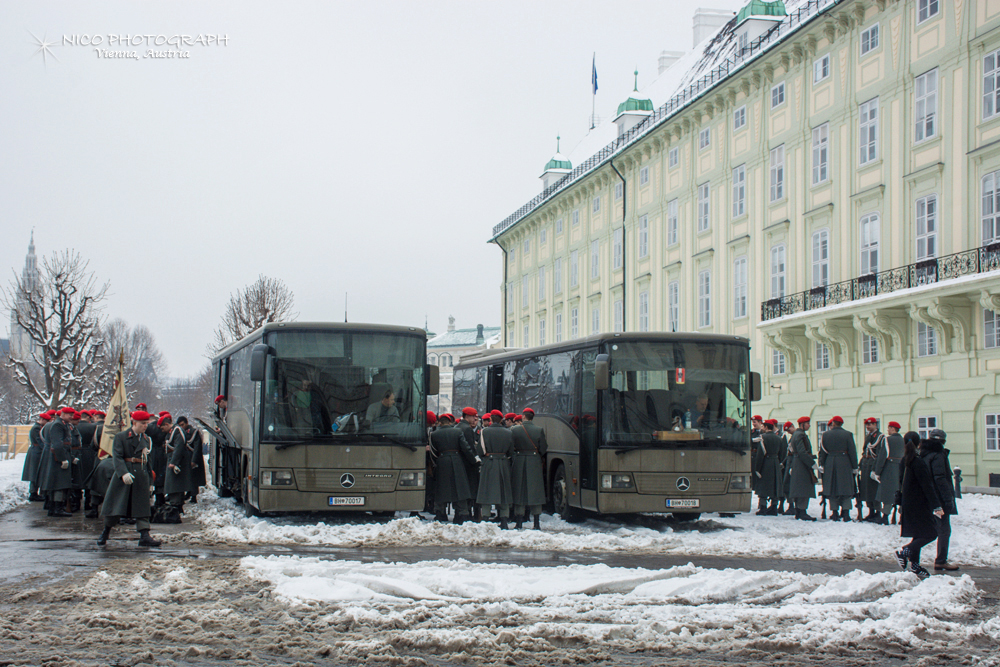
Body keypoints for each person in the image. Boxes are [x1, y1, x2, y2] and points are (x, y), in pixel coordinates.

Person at [97, 410, 162, 547]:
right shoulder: (121, 436)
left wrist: (150, 481)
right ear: (134, 423)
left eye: (146, 423)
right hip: (125, 475)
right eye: (142, 423)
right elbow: (117, 456)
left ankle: (144, 535)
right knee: (115, 505)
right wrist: (123, 473)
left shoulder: (146, 439)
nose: (145, 426)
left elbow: (148, 461)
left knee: (142, 507)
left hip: (141, 475)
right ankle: (105, 532)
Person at [894, 431, 942, 579]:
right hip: (920, 505)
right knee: (931, 533)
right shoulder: (918, 462)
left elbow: (900, 483)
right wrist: (937, 506)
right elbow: (927, 486)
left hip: (908, 504)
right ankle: (904, 552)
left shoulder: (904, 461)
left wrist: (900, 502)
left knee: (918, 535)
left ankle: (915, 566)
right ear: (918, 444)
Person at [920, 429, 959, 571]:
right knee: (944, 529)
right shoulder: (938, 455)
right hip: (938, 499)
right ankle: (941, 560)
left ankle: (912, 555)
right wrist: (948, 499)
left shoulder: (923, 454)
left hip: (927, 497)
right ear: (943, 441)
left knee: (927, 528)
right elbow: (940, 479)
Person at [430, 411, 480, 524]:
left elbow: (433, 452)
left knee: (441, 488)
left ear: (440, 423)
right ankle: (461, 514)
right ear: (450, 422)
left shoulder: (434, 434)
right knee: (459, 489)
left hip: (442, 461)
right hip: (457, 461)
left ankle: (440, 513)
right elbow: (466, 448)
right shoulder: (457, 432)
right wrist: (474, 460)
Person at [510, 407, 547, 529]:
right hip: (534, 462)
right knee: (535, 492)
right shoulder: (539, 430)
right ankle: (536, 523)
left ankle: (519, 522)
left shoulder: (514, 430)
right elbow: (543, 448)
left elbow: (511, 446)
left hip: (519, 461)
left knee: (519, 491)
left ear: (523, 416)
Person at [476, 410, 514, 528]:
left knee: (486, 492)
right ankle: (504, 520)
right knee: (504, 493)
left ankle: (486, 519)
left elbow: (480, 450)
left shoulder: (484, 432)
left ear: (491, 420)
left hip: (489, 463)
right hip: (503, 463)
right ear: (501, 419)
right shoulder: (508, 432)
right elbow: (511, 451)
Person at [818, 416, 859, 522]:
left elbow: (822, 451)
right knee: (845, 488)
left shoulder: (825, 435)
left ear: (834, 423)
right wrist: (854, 466)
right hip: (844, 462)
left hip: (830, 462)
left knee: (832, 488)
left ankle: (834, 512)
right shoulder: (848, 434)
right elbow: (852, 451)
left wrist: (822, 464)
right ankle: (846, 513)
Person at [43, 407, 77, 517]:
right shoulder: (58, 425)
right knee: (59, 484)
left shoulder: (63, 424)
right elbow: (57, 445)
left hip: (63, 454)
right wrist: (63, 459)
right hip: (58, 457)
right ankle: (57, 508)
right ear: (62, 414)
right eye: (69, 415)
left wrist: (71, 458)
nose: (71, 417)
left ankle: (53, 508)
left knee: (59, 483)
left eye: (72, 415)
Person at [164, 417, 197, 520]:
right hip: (174, 460)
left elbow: (178, 447)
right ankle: (177, 506)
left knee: (175, 485)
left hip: (177, 462)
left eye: (162, 428)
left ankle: (176, 507)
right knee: (175, 486)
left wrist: (174, 462)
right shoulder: (173, 431)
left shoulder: (177, 431)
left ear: (166, 424)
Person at [874, 421, 904, 524]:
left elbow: (882, 457)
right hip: (901, 467)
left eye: (889, 428)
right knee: (900, 491)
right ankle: (901, 516)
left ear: (892, 428)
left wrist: (877, 472)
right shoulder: (903, 440)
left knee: (888, 494)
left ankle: (885, 516)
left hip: (889, 468)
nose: (887, 430)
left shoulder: (887, 440)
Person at [788, 416, 817, 521]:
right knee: (804, 488)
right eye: (807, 423)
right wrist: (811, 463)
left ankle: (798, 511)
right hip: (802, 464)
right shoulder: (800, 434)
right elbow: (802, 452)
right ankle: (802, 511)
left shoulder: (796, 434)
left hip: (797, 462)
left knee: (798, 487)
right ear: (802, 424)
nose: (809, 425)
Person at [755, 419, 782, 515]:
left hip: (766, 462)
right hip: (775, 462)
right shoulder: (779, 438)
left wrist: (757, 468)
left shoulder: (762, 437)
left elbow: (760, 454)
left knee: (763, 485)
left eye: (763, 426)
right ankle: (774, 507)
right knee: (775, 485)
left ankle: (763, 507)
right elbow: (782, 454)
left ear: (766, 427)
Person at [22, 412, 50, 501]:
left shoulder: (39, 428)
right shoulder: (36, 428)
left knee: (37, 472)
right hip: (36, 452)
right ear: (42, 420)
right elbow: (39, 441)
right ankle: (33, 493)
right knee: (34, 473)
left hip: (38, 451)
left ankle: (35, 492)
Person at [860, 417, 884, 522]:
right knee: (866, 489)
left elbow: (879, 454)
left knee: (874, 490)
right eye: (867, 425)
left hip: (873, 464)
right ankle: (871, 512)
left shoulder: (879, 437)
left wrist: (875, 469)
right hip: (866, 464)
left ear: (875, 425)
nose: (868, 426)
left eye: (870, 424)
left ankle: (877, 512)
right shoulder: (868, 436)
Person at [148, 413, 171, 508]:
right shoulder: (160, 430)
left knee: (155, 478)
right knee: (160, 479)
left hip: (154, 455)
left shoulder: (150, 428)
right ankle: (160, 500)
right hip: (162, 455)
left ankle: (158, 500)